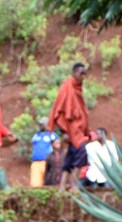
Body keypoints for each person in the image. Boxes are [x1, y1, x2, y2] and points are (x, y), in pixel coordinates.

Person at [48, 62, 90, 191]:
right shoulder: (66, 87)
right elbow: (59, 109)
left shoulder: (78, 87)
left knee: (71, 157)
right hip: (70, 130)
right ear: (74, 73)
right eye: (81, 73)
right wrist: (63, 131)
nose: (83, 76)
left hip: (78, 130)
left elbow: (81, 110)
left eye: (85, 74)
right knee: (81, 152)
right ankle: (74, 185)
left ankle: (63, 186)